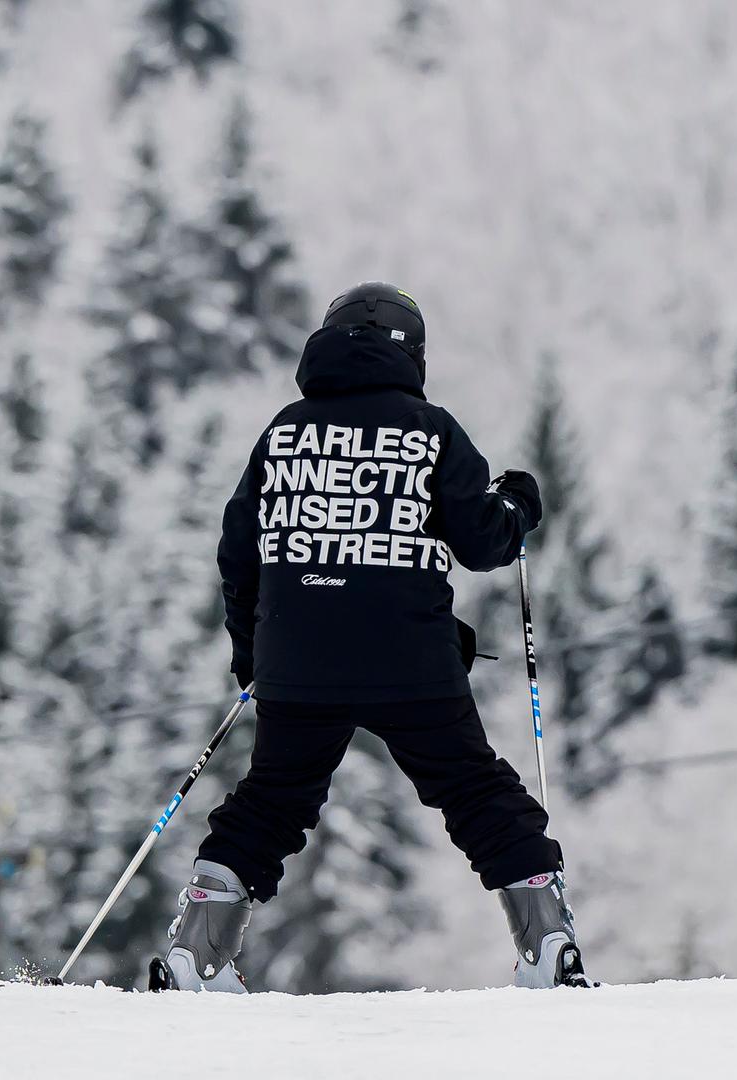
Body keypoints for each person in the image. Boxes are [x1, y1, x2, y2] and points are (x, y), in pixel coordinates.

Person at [153, 282, 588, 992]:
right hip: (410, 662)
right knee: (477, 792)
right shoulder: (428, 430)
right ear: (411, 353)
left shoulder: (285, 433)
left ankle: (197, 956)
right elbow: (482, 543)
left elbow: (240, 554)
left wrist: (251, 655)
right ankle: (547, 948)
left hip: (298, 662)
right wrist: (517, 505)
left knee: (270, 801)